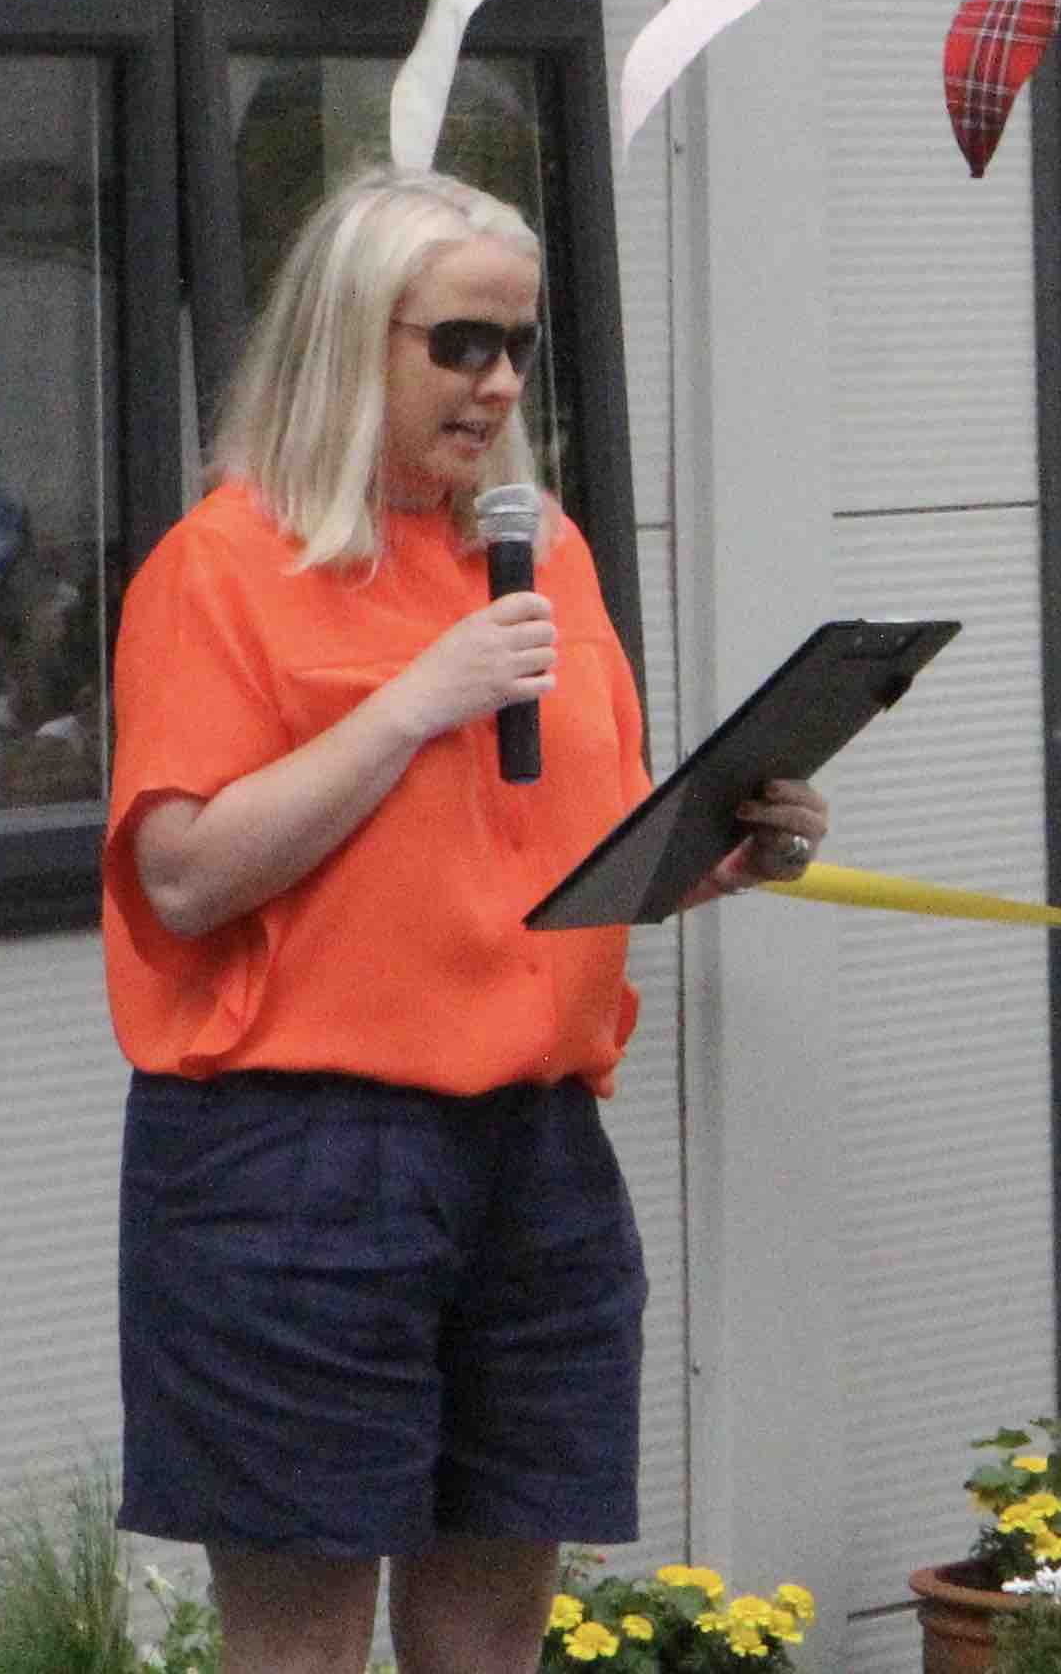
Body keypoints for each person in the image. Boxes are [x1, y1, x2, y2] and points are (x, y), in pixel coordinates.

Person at [100, 167, 828, 1674]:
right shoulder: (224, 568)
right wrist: (415, 702)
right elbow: (182, 875)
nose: (497, 385)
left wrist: (723, 855)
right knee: (301, 1637)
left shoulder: (538, 554)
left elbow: (565, 862)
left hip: (535, 1149)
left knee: (494, 1624)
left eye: (519, 348)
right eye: (459, 345)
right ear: (348, 340)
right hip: (295, 1157)